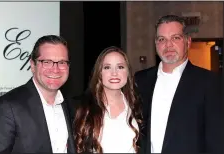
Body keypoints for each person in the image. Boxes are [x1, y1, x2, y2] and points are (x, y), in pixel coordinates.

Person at [135, 15, 224, 153]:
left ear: (188, 42)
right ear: (156, 44)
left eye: (175, 38)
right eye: (162, 39)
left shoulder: (209, 82)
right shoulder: (141, 80)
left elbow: (216, 140)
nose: (168, 45)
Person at [0, 35, 76, 153]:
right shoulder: (6, 107)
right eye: (47, 62)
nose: (55, 69)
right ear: (32, 65)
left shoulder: (71, 107)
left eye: (62, 62)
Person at [73, 46, 146, 153]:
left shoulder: (137, 105)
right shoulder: (82, 107)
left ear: (128, 72)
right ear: (99, 73)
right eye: (107, 67)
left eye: (120, 67)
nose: (114, 73)